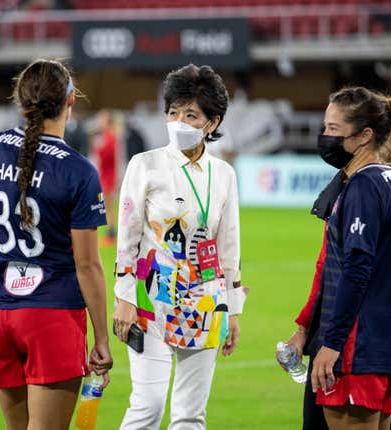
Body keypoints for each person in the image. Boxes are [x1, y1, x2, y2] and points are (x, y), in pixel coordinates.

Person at [0, 59, 113, 430]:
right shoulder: (77, 170)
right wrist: (102, 339)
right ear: (70, 99)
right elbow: (88, 265)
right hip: (52, 315)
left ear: (21, 100)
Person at [113, 64, 249, 430]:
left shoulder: (224, 175)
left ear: (212, 122)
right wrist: (124, 297)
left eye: (191, 114)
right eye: (173, 112)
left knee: (190, 415)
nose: (178, 121)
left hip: (206, 301)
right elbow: (127, 240)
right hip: (149, 300)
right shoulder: (145, 165)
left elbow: (229, 247)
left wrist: (232, 309)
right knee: (148, 406)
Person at [305, 87, 391, 430]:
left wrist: (332, 343)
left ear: (365, 135)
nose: (324, 136)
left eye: (333, 129)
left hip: (360, 346)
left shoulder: (362, 186)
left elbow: (356, 270)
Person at [93, 109, 119, 247]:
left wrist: (98, 147)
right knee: (107, 208)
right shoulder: (106, 136)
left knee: (108, 208)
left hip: (108, 177)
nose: (98, 122)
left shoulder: (110, 137)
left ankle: (111, 235)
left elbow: (107, 156)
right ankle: (110, 234)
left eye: (101, 119)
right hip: (105, 176)